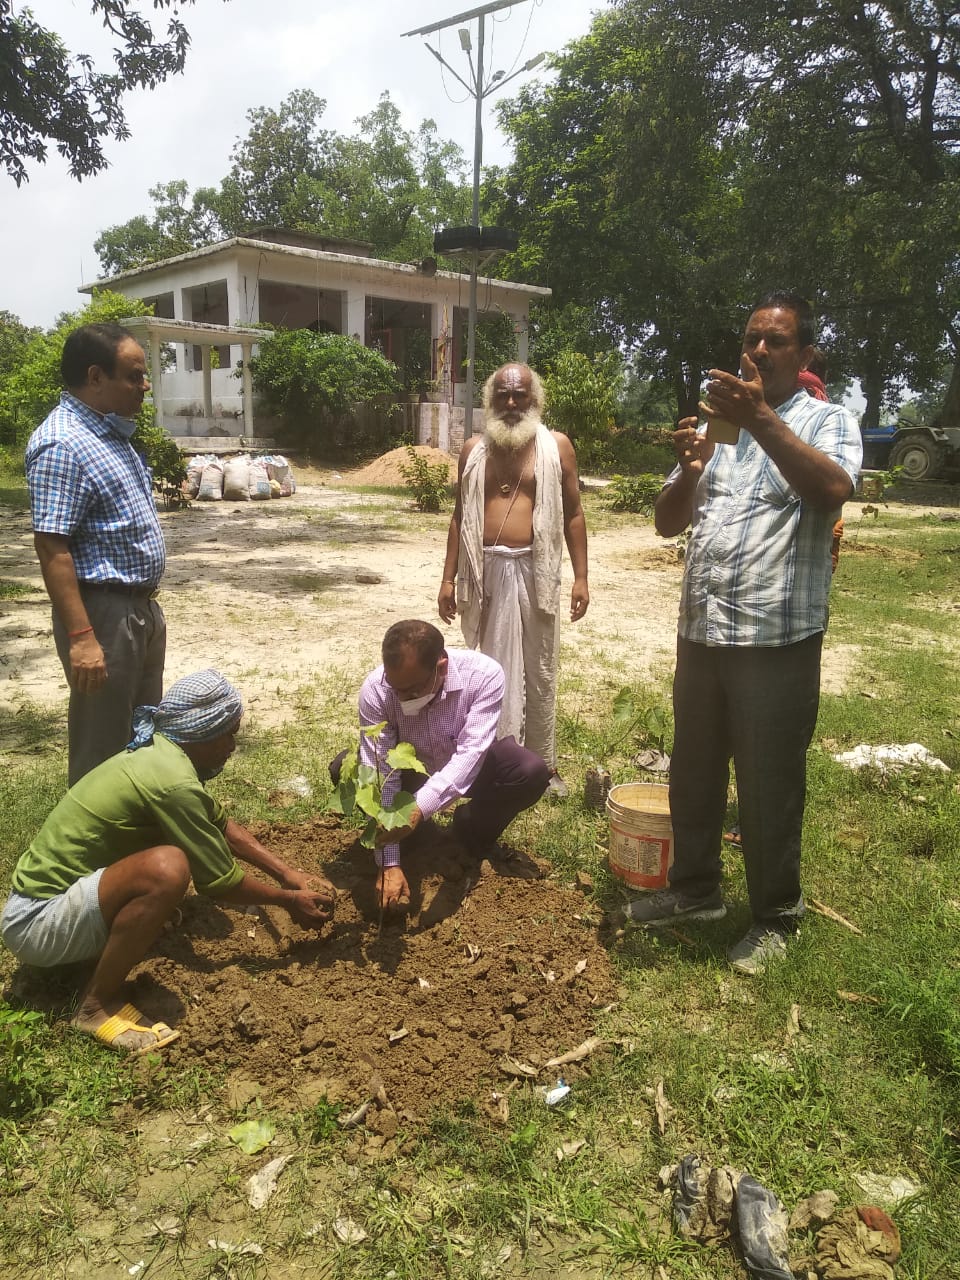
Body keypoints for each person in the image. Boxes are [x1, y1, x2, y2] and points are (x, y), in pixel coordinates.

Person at [624, 292, 862, 974]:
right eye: (751, 340)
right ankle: (695, 890)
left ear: (805, 355)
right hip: (702, 632)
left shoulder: (826, 420)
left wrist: (760, 419)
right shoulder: (717, 428)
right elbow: (668, 521)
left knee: (769, 783)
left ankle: (775, 916)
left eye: (776, 342)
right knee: (694, 773)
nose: (758, 351)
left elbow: (832, 492)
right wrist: (692, 469)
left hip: (776, 638)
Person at [0, 670, 336, 1053]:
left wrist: (288, 873)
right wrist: (288, 901)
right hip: (38, 925)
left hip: (49, 904)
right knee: (169, 868)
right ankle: (94, 1006)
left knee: (170, 851)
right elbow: (221, 882)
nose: (232, 745)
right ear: (203, 733)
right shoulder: (173, 782)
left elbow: (220, 823)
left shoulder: (161, 752)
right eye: (229, 734)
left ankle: (114, 932)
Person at [438, 363, 589, 798]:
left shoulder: (556, 447)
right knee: (487, 669)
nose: (510, 403)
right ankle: (491, 759)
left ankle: (543, 762)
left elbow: (574, 514)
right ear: (489, 400)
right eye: (502, 395)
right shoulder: (473, 450)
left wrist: (581, 577)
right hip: (482, 571)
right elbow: (459, 518)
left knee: (540, 667)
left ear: (533, 400)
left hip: (535, 570)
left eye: (518, 395)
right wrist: (448, 580)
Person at [26, 322, 167, 785]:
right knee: (101, 750)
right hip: (102, 617)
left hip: (138, 610)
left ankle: (136, 847)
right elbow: (52, 546)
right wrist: (82, 637)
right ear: (95, 377)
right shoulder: (63, 444)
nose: (144, 385)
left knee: (141, 735)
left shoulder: (109, 435)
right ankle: (88, 855)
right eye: (133, 375)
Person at [343, 620, 549, 909]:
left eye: (412, 690)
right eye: (395, 688)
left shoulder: (484, 675)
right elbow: (381, 774)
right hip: (411, 774)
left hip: (471, 770)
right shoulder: (377, 691)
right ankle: (418, 838)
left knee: (529, 772)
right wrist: (388, 863)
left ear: (440, 668)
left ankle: (469, 833)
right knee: (349, 772)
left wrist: (419, 808)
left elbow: (471, 753)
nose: (401, 698)